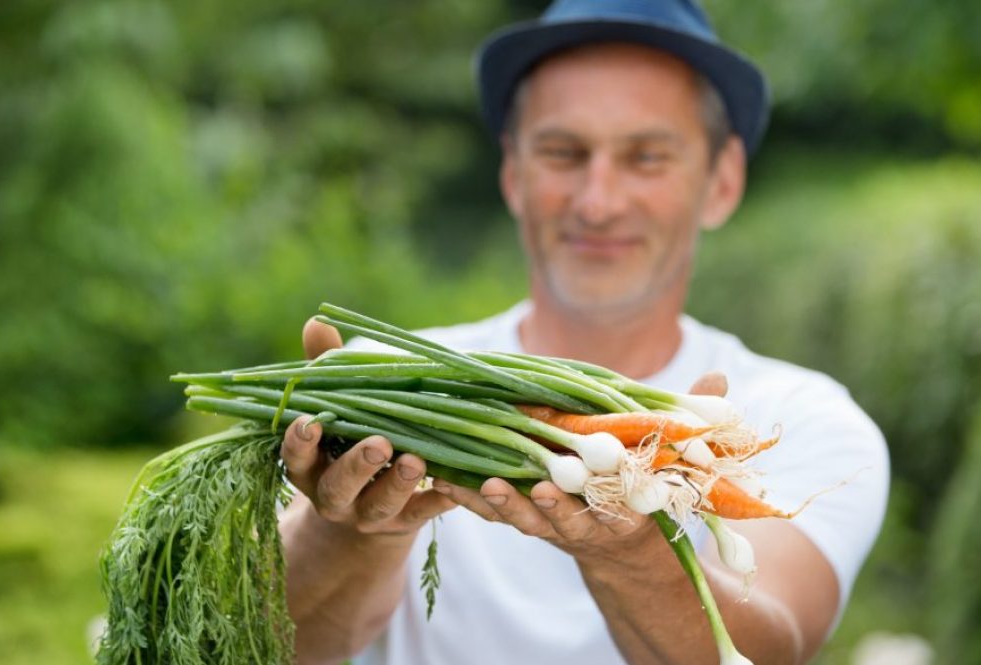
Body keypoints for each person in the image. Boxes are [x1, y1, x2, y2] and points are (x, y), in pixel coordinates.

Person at [277, 1, 890, 664]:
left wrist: (634, 552)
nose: (597, 201)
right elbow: (268, 645)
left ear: (723, 180)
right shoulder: (377, 389)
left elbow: (772, 646)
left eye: (647, 156)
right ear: (514, 174)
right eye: (563, 152)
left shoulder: (807, 420)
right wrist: (350, 533)